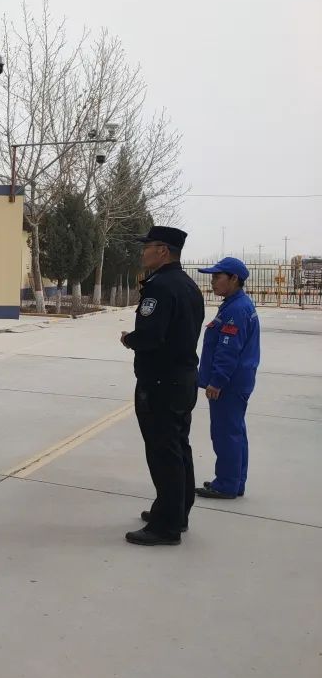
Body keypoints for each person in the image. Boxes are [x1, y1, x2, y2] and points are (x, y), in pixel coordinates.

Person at [119, 226, 205, 545]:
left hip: (160, 382)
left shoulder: (160, 287)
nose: (143, 252)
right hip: (183, 378)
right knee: (178, 447)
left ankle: (166, 526)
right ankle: (176, 512)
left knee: (163, 452)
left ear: (163, 251)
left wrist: (129, 339)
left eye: (148, 246)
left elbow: (151, 336)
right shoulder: (188, 285)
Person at [195, 257, 260, 500]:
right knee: (235, 432)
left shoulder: (235, 310)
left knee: (225, 433)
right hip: (239, 380)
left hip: (229, 384)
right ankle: (234, 480)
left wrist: (217, 381)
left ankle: (225, 484)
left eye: (217, 277)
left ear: (234, 279)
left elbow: (228, 350)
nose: (212, 282)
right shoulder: (238, 304)